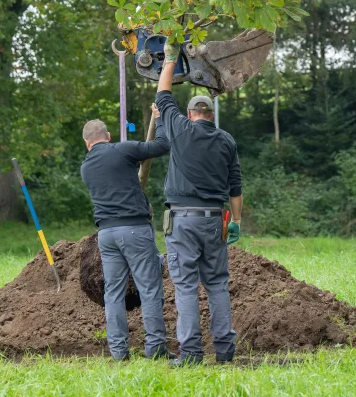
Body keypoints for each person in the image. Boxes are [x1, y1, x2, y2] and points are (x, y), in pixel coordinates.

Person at [153, 41, 243, 367]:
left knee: (186, 286)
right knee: (217, 284)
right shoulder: (226, 141)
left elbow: (163, 96)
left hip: (183, 220)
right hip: (216, 220)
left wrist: (169, 60)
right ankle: (225, 351)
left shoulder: (180, 129)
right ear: (210, 114)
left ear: (191, 114)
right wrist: (236, 221)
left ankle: (190, 355)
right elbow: (236, 186)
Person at [79, 116, 173, 361]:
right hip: (134, 230)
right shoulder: (122, 150)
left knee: (113, 294)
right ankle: (155, 350)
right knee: (150, 289)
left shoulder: (86, 167)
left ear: (87, 143)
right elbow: (162, 145)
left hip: (106, 235)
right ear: (108, 137)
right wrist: (160, 120)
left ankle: (119, 352)